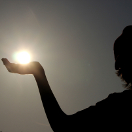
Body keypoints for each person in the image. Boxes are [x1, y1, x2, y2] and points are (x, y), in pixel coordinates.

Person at [1, 25, 132, 131]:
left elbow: (63, 126)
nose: (120, 64)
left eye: (125, 53)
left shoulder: (118, 105)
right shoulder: (117, 104)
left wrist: (38, 73)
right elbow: (64, 125)